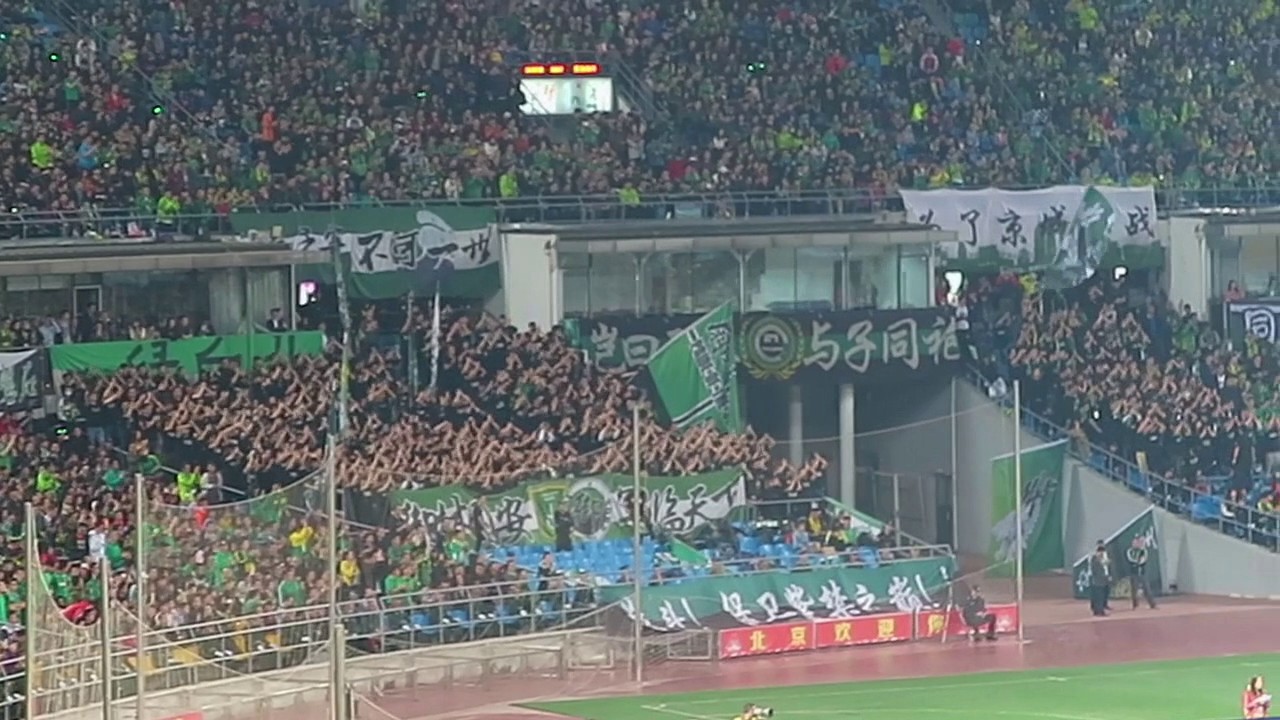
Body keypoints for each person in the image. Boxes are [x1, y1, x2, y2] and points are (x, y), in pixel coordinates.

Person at [1125, 536, 1157, 610]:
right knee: (1134, 589)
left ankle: (1152, 604)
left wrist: (1140, 561)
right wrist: (1137, 562)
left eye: (1137, 542)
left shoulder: (1144, 551)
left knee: (1147, 588)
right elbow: (1130, 559)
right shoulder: (1129, 551)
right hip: (1134, 573)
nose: (1136, 544)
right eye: (1134, 543)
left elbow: (1144, 560)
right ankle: (1135, 605)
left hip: (1142, 573)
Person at [1088, 541, 1111, 617]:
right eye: (1100, 552)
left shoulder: (1104, 558)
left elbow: (1107, 566)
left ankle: (1099, 610)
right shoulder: (1094, 559)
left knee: (1102, 595)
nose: (1101, 553)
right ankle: (1099, 611)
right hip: (1097, 580)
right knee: (1098, 596)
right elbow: (1095, 570)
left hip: (1103, 580)